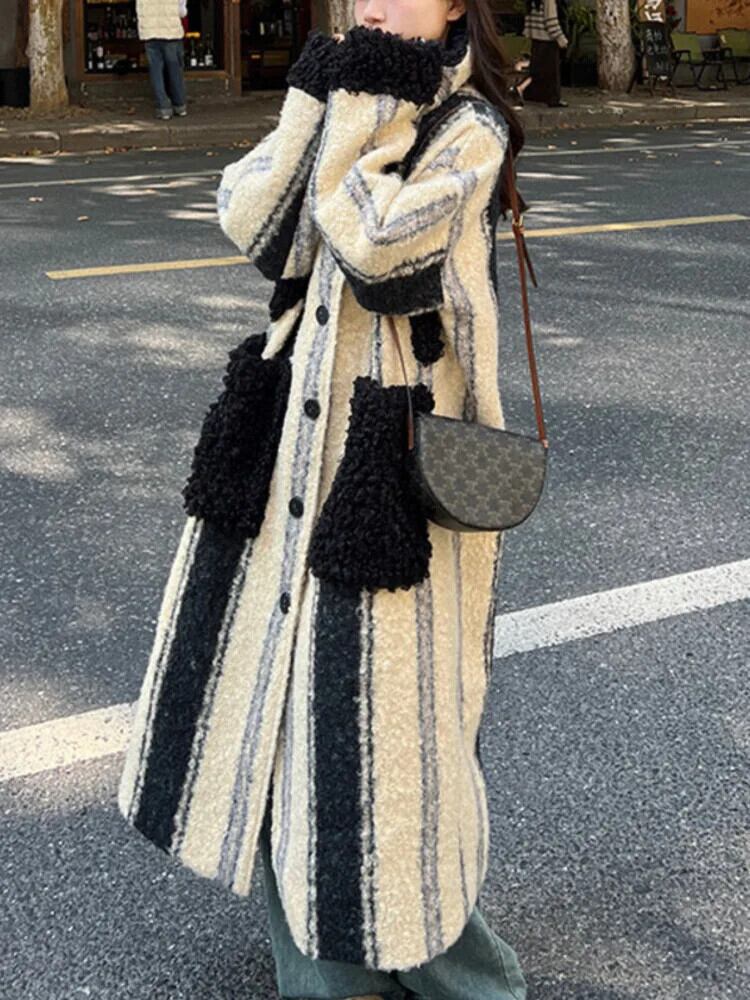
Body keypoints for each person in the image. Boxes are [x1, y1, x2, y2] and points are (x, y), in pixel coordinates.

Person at [117, 2, 530, 999]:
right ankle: (323, 976)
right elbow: (255, 221)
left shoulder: (470, 127)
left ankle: (466, 977)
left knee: (392, 750)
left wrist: (364, 107)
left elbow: (380, 250)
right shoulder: (347, 90)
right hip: (288, 456)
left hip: (393, 476)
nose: (375, 4)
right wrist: (314, 98)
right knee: (275, 709)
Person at [135, 0, 188, 119]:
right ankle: (179, 104)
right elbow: (182, 11)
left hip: (150, 31)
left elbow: (139, 8)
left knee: (156, 71)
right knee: (174, 69)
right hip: (171, 30)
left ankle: (163, 107)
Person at [522, 0, 569, 107]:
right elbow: (551, 21)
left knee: (537, 69)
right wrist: (561, 38)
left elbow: (528, 17)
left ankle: (533, 94)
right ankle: (553, 99)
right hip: (548, 39)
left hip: (536, 38)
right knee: (552, 72)